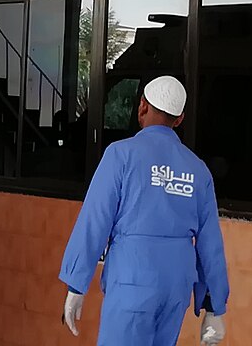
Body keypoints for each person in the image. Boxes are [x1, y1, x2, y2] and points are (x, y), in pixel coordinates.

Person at [59, 76, 229, 345]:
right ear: (179, 119)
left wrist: (76, 284)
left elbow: (94, 221)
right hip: (176, 287)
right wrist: (214, 307)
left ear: (142, 107)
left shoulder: (121, 155)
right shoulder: (197, 169)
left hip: (133, 280)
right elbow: (211, 245)